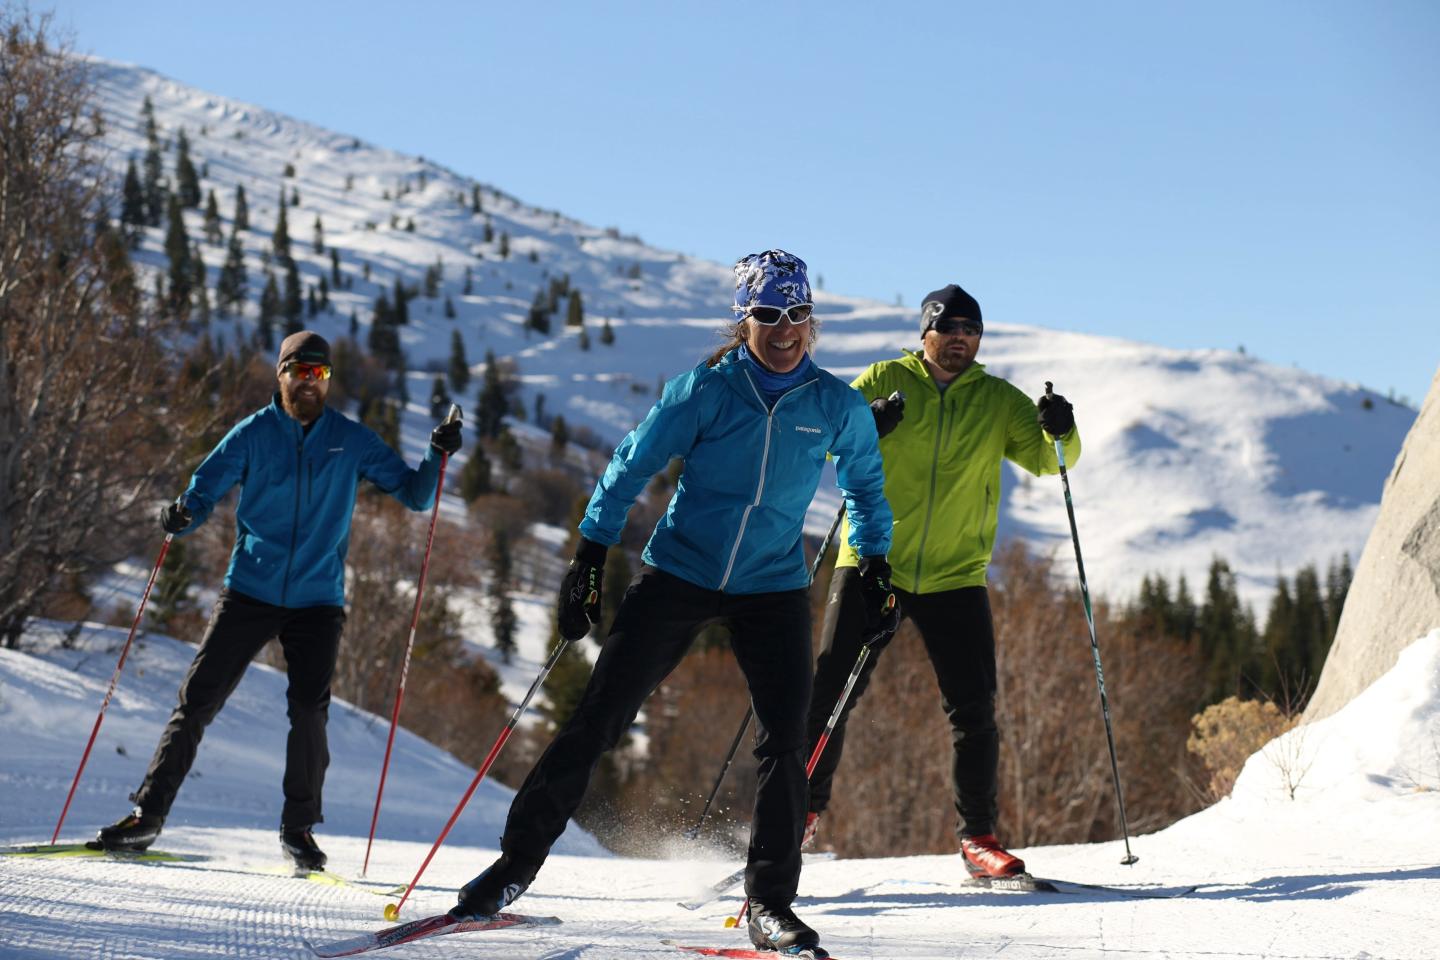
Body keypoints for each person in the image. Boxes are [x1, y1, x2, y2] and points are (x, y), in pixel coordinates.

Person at [450, 251, 897, 957]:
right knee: (599, 718)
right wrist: (590, 555)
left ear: (813, 320)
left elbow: (868, 491)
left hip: (772, 587)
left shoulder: (834, 406)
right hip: (680, 573)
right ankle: (513, 868)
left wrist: (874, 567)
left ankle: (771, 903)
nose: (784, 329)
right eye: (768, 314)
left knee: (789, 741)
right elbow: (631, 464)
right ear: (744, 318)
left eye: (797, 314)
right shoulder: (706, 392)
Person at [93, 331, 463, 872]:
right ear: (281, 374)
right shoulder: (252, 435)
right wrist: (181, 516)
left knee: (309, 712)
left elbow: (414, 494)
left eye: (321, 374)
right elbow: (202, 492)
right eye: (300, 371)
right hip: (250, 590)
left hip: (318, 599)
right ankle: (147, 816)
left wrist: (436, 453)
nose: (310, 383)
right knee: (196, 701)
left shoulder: (351, 440)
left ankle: (298, 831)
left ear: (328, 381)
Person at [801, 284, 1080, 879]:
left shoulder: (999, 400)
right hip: (873, 562)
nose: (961, 339)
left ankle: (978, 839)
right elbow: (822, 446)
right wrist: (866, 428)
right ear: (925, 332)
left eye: (971, 330)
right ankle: (795, 819)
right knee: (830, 696)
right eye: (949, 327)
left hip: (957, 574)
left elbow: (1051, 460)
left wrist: (1062, 429)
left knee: (975, 710)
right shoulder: (881, 379)